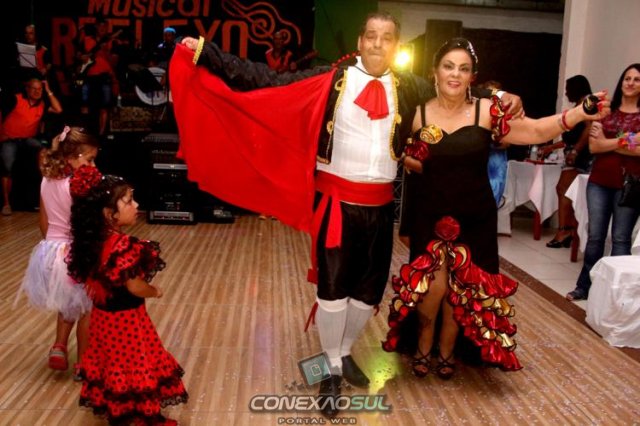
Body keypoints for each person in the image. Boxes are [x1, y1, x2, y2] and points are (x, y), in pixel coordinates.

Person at [173, 12, 523, 418]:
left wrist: (501, 96)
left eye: (386, 38)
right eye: (371, 36)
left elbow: (453, 86)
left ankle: (341, 352)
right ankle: (332, 369)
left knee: (368, 294)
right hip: (336, 203)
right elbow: (264, 78)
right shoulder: (331, 79)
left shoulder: (409, 87)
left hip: (381, 208)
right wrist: (207, 53)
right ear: (360, 41)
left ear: (396, 46)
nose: (377, 44)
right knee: (333, 289)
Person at [382, 38, 609, 380]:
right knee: (432, 287)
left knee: (461, 288)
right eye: (448, 66)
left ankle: (446, 352)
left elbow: (535, 130)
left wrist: (579, 113)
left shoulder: (487, 112)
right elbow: (405, 159)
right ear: (435, 72)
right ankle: (423, 344)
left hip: (475, 215)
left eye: (463, 69)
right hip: (430, 213)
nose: (455, 74)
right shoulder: (418, 113)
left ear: (472, 77)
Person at [66, 166, 188, 425]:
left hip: (102, 320)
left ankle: (119, 410)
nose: (136, 205)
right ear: (109, 214)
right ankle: (144, 417)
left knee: (113, 365)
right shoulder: (124, 246)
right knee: (136, 363)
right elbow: (134, 287)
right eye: (129, 201)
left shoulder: (90, 242)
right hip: (128, 322)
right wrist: (154, 291)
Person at [14, 126, 98, 380]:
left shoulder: (47, 180)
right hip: (74, 251)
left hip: (50, 251)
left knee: (68, 300)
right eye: (89, 160)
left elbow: (44, 222)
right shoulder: (78, 186)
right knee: (86, 309)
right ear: (72, 157)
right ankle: (83, 365)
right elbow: (85, 226)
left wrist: (54, 250)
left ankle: (59, 346)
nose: (93, 166)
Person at [566, 64, 640, 301]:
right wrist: (626, 140)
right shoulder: (606, 112)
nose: (630, 83)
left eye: (637, 79)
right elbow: (593, 147)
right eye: (627, 78)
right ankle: (584, 287)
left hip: (629, 184)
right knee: (595, 236)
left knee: (620, 239)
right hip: (599, 180)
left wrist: (608, 142)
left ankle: (614, 296)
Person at [541, 75, 594, 248]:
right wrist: (552, 147)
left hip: (581, 156)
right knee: (567, 191)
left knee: (563, 189)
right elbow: (570, 138)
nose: (565, 93)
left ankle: (564, 231)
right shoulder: (579, 106)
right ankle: (568, 230)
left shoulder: (587, 103)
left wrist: (576, 150)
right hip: (574, 153)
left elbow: (589, 129)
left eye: (567, 89)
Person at [1, 77, 63, 215]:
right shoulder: (15, 99)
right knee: (7, 167)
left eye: (40, 89)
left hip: (28, 139)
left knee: (44, 151)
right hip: (9, 138)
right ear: (27, 89)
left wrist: (48, 91)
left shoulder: (42, 104)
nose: (37, 92)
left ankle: (45, 187)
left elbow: (58, 109)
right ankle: (6, 204)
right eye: (34, 89)